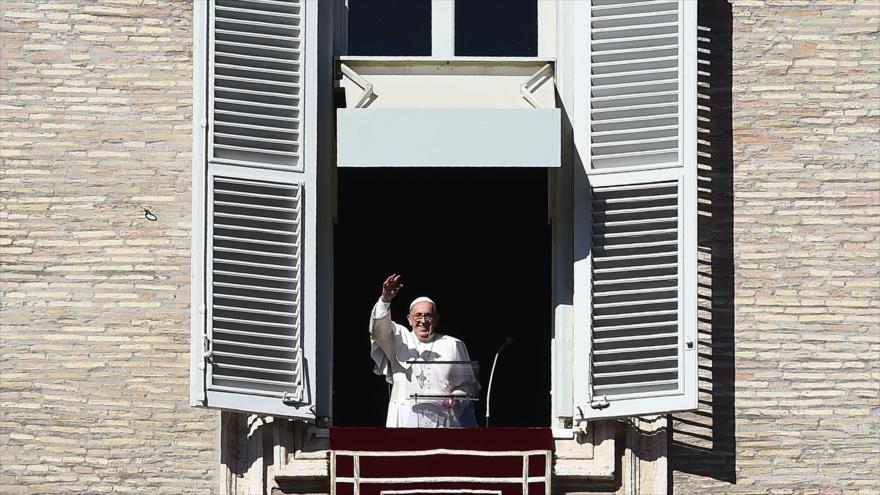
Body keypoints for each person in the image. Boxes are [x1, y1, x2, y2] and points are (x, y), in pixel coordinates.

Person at [369, 274, 480, 427]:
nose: (423, 321)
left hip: (443, 419)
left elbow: (469, 385)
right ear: (409, 319)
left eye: (428, 316)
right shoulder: (397, 338)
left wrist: (456, 397)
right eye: (418, 315)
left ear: (436, 319)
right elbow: (378, 331)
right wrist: (385, 299)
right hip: (404, 416)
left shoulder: (453, 345)